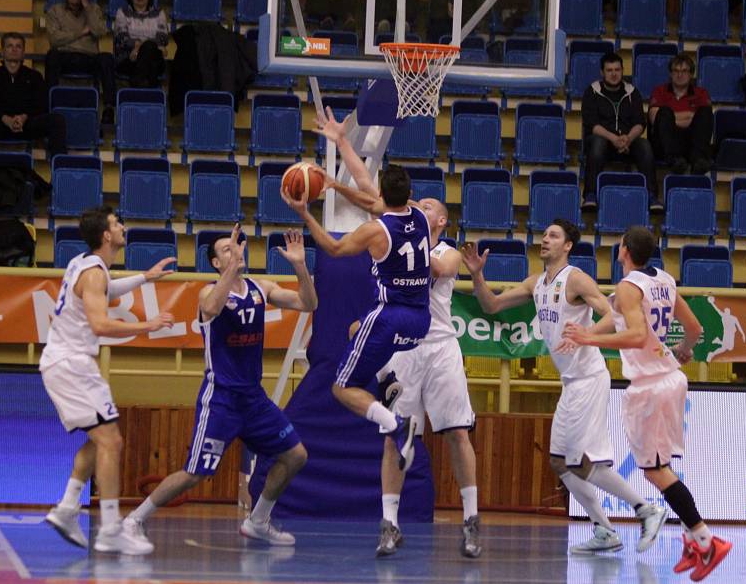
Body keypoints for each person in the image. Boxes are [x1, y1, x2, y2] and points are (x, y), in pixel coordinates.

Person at [461, 219, 668, 555]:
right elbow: (492, 306)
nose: (545, 239)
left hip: (589, 380)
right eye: (544, 235)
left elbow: (611, 312)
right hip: (571, 383)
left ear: (568, 245)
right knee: (560, 461)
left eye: (553, 236)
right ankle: (604, 530)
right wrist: (477, 276)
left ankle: (646, 510)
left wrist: (588, 336)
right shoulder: (536, 283)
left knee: (587, 464)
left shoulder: (576, 278)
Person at [320, 164, 480, 558]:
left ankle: (471, 520)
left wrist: (402, 240)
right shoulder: (403, 225)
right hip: (404, 345)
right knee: (394, 439)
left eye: (427, 205)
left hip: (440, 345)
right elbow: (369, 194)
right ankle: (389, 524)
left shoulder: (446, 250)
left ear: (440, 219)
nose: (418, 206)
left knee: (457, 433)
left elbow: (438, 269)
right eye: (416, 202)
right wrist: (341, 155)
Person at [124, 225, 316, 547]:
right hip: (221, 399)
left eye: (237, 245)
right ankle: (133, 521)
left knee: (295, 455)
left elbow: (308, 303)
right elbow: (211, 308)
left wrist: (299, 265)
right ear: (215, 263)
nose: (236, 250)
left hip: (254, 400)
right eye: (227, 249)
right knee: (194, 474)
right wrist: (231, 270)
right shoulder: (208, 292)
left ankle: (258, 521)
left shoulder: (260, 287)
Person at [563, 225, 732, 581]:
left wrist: (590, 341)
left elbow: (637, 334)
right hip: (671, 378)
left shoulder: (628, 286)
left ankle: (705, 540)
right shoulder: (665, 280)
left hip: (651, 387)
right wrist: (685, 349)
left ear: (623, 250)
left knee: (655, 470)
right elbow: (695, 328)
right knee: (660, 465)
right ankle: (692, 540)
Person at [281, 107, 431, 474]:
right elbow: (366, 191)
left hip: (389, 315)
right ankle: (387, 381)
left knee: (340, 388)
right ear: (409, 194)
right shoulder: (420, 216)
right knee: (353, 330)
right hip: (420, 321)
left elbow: (334, 249)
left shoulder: (376, 232)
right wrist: (339, 159)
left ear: (385, 193)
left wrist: (305, 214)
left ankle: (395, 424)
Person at [41, 206, 175, 555]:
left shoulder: (83, 264)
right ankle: (111, 529)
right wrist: (148, 325)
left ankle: (68, 507)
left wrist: (145, 278)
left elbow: (107, 289)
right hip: (72, 364)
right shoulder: (94, 274)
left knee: (103, 439)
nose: (122, 227)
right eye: (117, 224)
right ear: (106, 235)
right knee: (111, 442)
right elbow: (100, 324)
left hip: (64, 362)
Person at [581, 52, 662, 214]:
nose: (614, 74)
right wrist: (613, 138)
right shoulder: (592, 91)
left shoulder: (632, 92)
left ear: (622, 71)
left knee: (645, 145)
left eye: (617, 69)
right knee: (597, 142)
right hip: (602, 140)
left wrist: (628, 139)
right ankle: (590, 195)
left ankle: (652, 196)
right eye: (609, 70)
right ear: (602, 72)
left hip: (628, 141)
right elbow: (592, 125)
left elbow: (640, 123)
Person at [45, 0, 116, 124]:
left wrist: (86, 5)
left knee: (107, 58)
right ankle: (49, 106)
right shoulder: (55, 11)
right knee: (51, 56)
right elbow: (54, 40)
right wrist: (82, 32)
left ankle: (109, 108)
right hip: (65, 57)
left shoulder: (94, 9)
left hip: (89, 57)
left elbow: (99, 32)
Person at [0, 32, 67, 156]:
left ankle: (60, 169)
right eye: (10, 46)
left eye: (18, 46)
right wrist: (5, 118)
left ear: (23, 53)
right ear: (2, 52)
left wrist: (23, 117)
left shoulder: (34, 76)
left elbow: (42, 105)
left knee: (57, 120)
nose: (14, 49)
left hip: (26, 126)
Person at [648, 53, 713, 175]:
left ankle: (698, 160)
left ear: (691, 74)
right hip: (664, 144)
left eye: (684, 71)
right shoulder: (659, 91)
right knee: (664, 112)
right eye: (675, 71)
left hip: (690, 143)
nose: (679, 75)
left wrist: (670, 121)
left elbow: (703, 120)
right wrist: (689, 116)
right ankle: (673, 160)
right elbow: (655, 118)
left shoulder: (701, 93)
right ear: (670, 74)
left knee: (705, 112)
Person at [113, 0, 169, 88]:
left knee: (150, 49)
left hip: (149, 58)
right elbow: (122, 39)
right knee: (151, 61)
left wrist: (139, 47)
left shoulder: (159, 13)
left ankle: (137, 85)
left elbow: (163, 38)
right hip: (128, 59)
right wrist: (150, 44)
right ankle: (150, 95)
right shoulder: (122, 13)